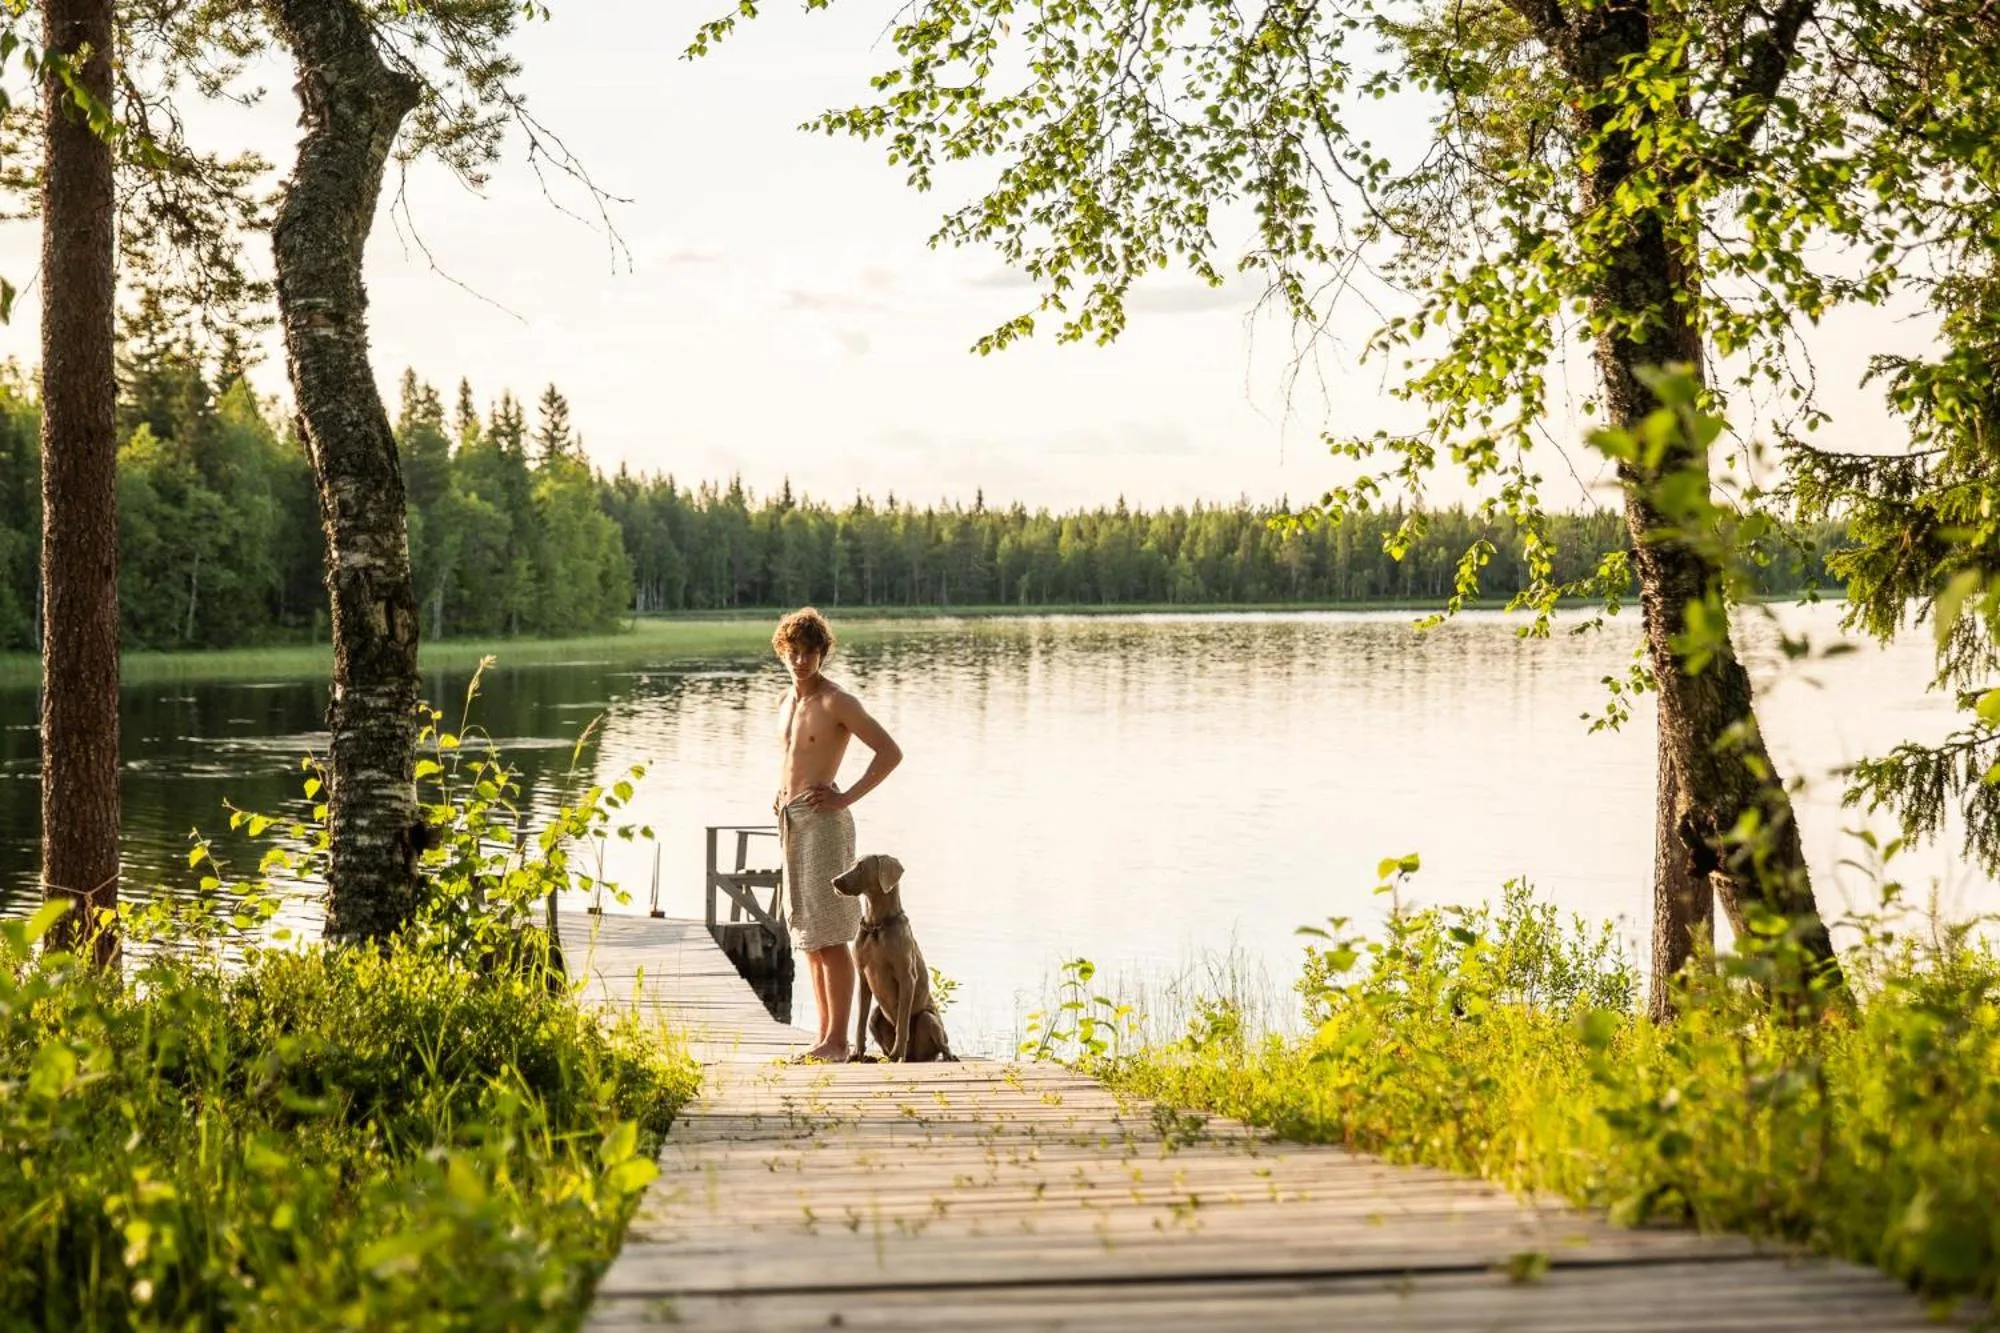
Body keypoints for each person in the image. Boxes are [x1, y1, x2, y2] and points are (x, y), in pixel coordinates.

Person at [772, 607, 902, 1062]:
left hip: (824, 823)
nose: (800, 661)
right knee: (809, 936)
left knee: (830, 934)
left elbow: (890, 752)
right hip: (791, 819)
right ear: (782, 652)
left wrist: (845, 798)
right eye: (793, 652)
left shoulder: (836, 702)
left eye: (809, 653)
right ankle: (824, 1037)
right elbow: (793, 760)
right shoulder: (786, 701)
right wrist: (780, 796)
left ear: (822, 654)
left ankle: (839, 1042)